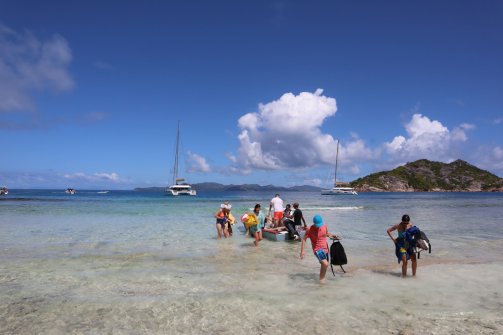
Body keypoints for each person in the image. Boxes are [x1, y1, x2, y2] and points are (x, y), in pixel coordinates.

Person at [300, 214, 339, 283]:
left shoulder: (324, 226)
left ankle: (321, 277)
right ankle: (321, 280)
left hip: (325, 248)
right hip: (317, 249)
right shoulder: (309, 229)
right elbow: (304, 239)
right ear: (314, 223)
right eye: (317, 225)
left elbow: (326, 234)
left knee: (324, 264)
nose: (318, 226)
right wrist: (302, 251)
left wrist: (333, 235)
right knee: (325, 264)